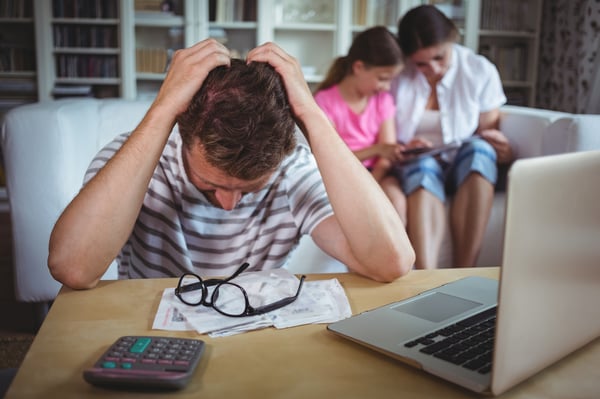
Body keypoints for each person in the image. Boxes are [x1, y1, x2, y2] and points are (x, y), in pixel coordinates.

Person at [48, 39, 415, 289]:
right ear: (182, 133)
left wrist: (312, 116)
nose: (229, 205)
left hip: (255, 341)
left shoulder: (293, 170)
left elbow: (391, 263)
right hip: (150, 337)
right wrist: (163, 108)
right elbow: (73, 268)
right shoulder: (138, 160)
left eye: (249, 189)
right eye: (209, 185)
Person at [391, 5, 513, 269]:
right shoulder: (398, 76)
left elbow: (487, 132)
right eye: (421, 63)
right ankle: (427, 277)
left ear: (452, 39)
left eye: (439, 57)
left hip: (463, 164)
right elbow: (382, 131)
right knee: (422, 168)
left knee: (480, 150)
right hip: (417, 163)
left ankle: (464, 271)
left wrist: (501, 148)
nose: (432, 68)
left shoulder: (479, 70)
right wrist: (401, 146)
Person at [314, 27, 407, 223]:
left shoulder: (383, 100)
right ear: (358, 67)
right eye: (383, 79)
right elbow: (331, 159)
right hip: (342, 176)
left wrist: (372, 183)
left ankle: (401, 254)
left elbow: (386, 155)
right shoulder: (325, 102)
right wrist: (377, 150)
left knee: (397, 200)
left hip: (377, 175)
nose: (387, 87)